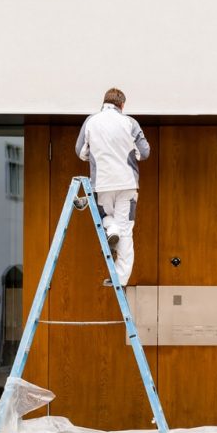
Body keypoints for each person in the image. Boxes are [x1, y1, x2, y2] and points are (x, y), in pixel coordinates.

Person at [74, 88, 150, 287]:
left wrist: (96, 156)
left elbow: (80, 151)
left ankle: (112, 228)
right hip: (127, 184)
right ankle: (121, 278)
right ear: (122, 105)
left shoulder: (91, 121)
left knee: (102, 217)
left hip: (103, 183)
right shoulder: (130, 123)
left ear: (104, 102)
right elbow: (145, 152)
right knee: (126, 230)